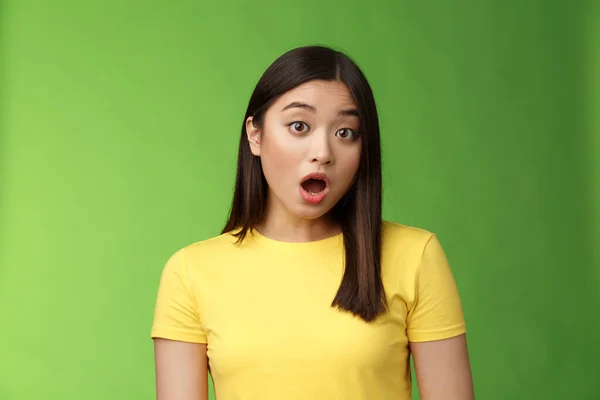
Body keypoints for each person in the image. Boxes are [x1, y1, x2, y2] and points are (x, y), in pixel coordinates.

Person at [151, 45, 474, 400]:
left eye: (345, 132)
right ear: (255, 136)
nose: (323, 151)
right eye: (299, 126)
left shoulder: (415, 256)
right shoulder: (190, 272)